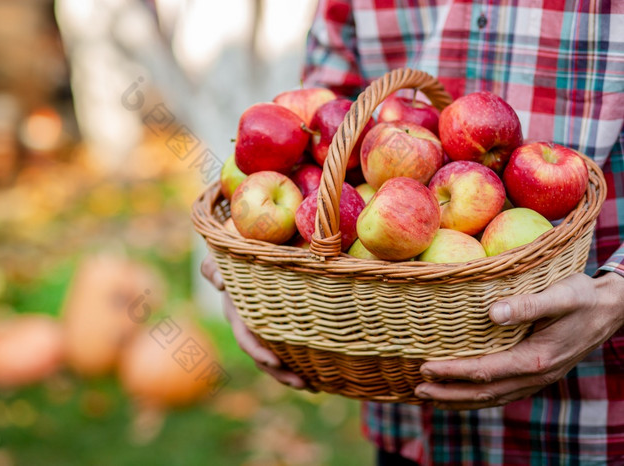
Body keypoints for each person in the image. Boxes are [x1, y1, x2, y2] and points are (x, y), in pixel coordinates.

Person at [201, 0, 624, 463]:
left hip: (587, 408)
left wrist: (617, 294)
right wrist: (253, 273)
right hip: (402, 403)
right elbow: (323, 117)